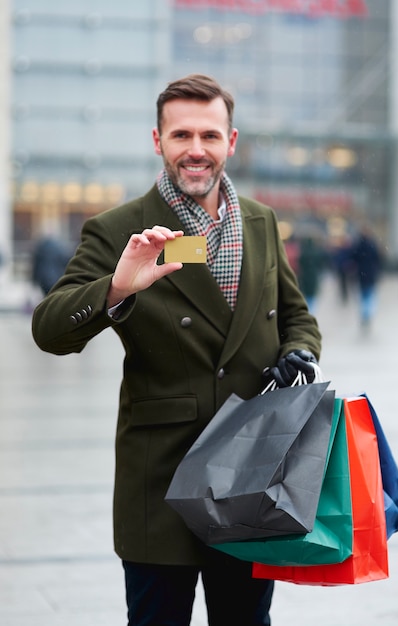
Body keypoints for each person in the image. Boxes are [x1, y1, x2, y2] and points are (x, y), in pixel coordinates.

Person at [31, 74, 322, 626]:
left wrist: (300, 350)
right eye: (181, 134)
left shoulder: (260, 222)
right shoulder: (120, 229)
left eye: (210, 136)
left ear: (231, 143)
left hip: (251, 475)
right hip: (161, 479)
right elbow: (49, 329)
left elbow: (295, 315)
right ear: (157, 140)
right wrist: (116, 289)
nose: (196, 149)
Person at [349, 224, 382, 329]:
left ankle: (365, 314)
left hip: (361, 274)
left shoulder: (358, 245)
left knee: (364, 296)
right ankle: (367, 314)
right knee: (369, 296)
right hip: (370, 274)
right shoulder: (372, 245)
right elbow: (378, 260)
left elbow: (353, 258)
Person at [297, 235, 327, 314]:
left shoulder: (303, 253)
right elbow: (320, 264)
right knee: (312, 295)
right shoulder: (316, 253)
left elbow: (300, 263)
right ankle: (312, 311)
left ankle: (307, 309)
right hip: (313, 275)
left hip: (305, 276)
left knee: (306, 293)